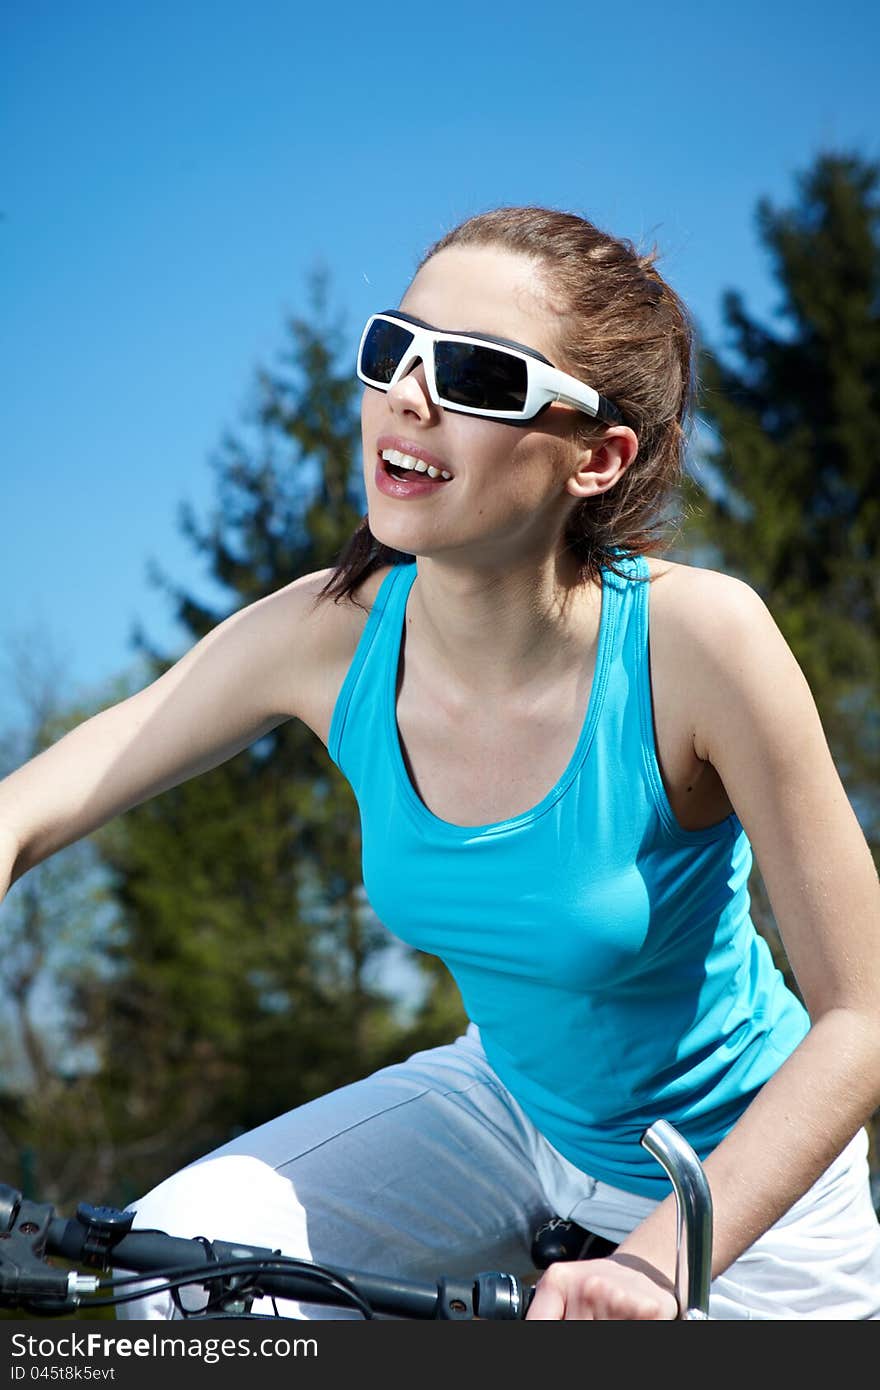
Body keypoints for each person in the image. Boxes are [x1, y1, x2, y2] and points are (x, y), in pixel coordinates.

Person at [2, 206, 879, 1320]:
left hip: (737, 1190)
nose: (408, 395)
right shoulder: (322, 635)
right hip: (504, 1101)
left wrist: (656, 1262)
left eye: (474, 372)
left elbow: (864, 1013)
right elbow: (24, 810)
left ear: (598, 457)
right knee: (182, 1295)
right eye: (392, 350)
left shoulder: (698, 644)